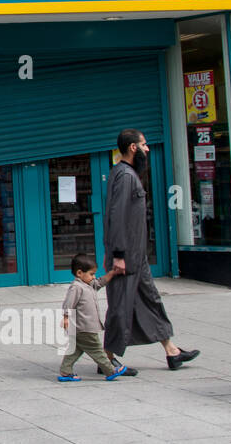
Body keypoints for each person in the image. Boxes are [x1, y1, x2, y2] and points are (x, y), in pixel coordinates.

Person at [102, 129, 200, 373]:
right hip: (125, 258)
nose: (147, 149)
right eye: (144, 145)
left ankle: (172, 351)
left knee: (150, 301)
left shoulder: (127, 174)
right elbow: (117, 217)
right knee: (120, 307)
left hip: (137, 257)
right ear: (133, 147)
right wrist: (119, 256)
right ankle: (106, 358)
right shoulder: (125, 176)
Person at [58, 254, 128, 381]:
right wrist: (66, 317)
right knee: (97, 350)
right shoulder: (76, 287)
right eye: (91, 274)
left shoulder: (89, 284)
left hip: (82, 328)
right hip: (84, 327)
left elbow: (100, 282)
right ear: (79, 273)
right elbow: (68, 303)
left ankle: (65, 371)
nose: (93, 277)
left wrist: (112, 273)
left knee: (76, 350)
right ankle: (110, 371)